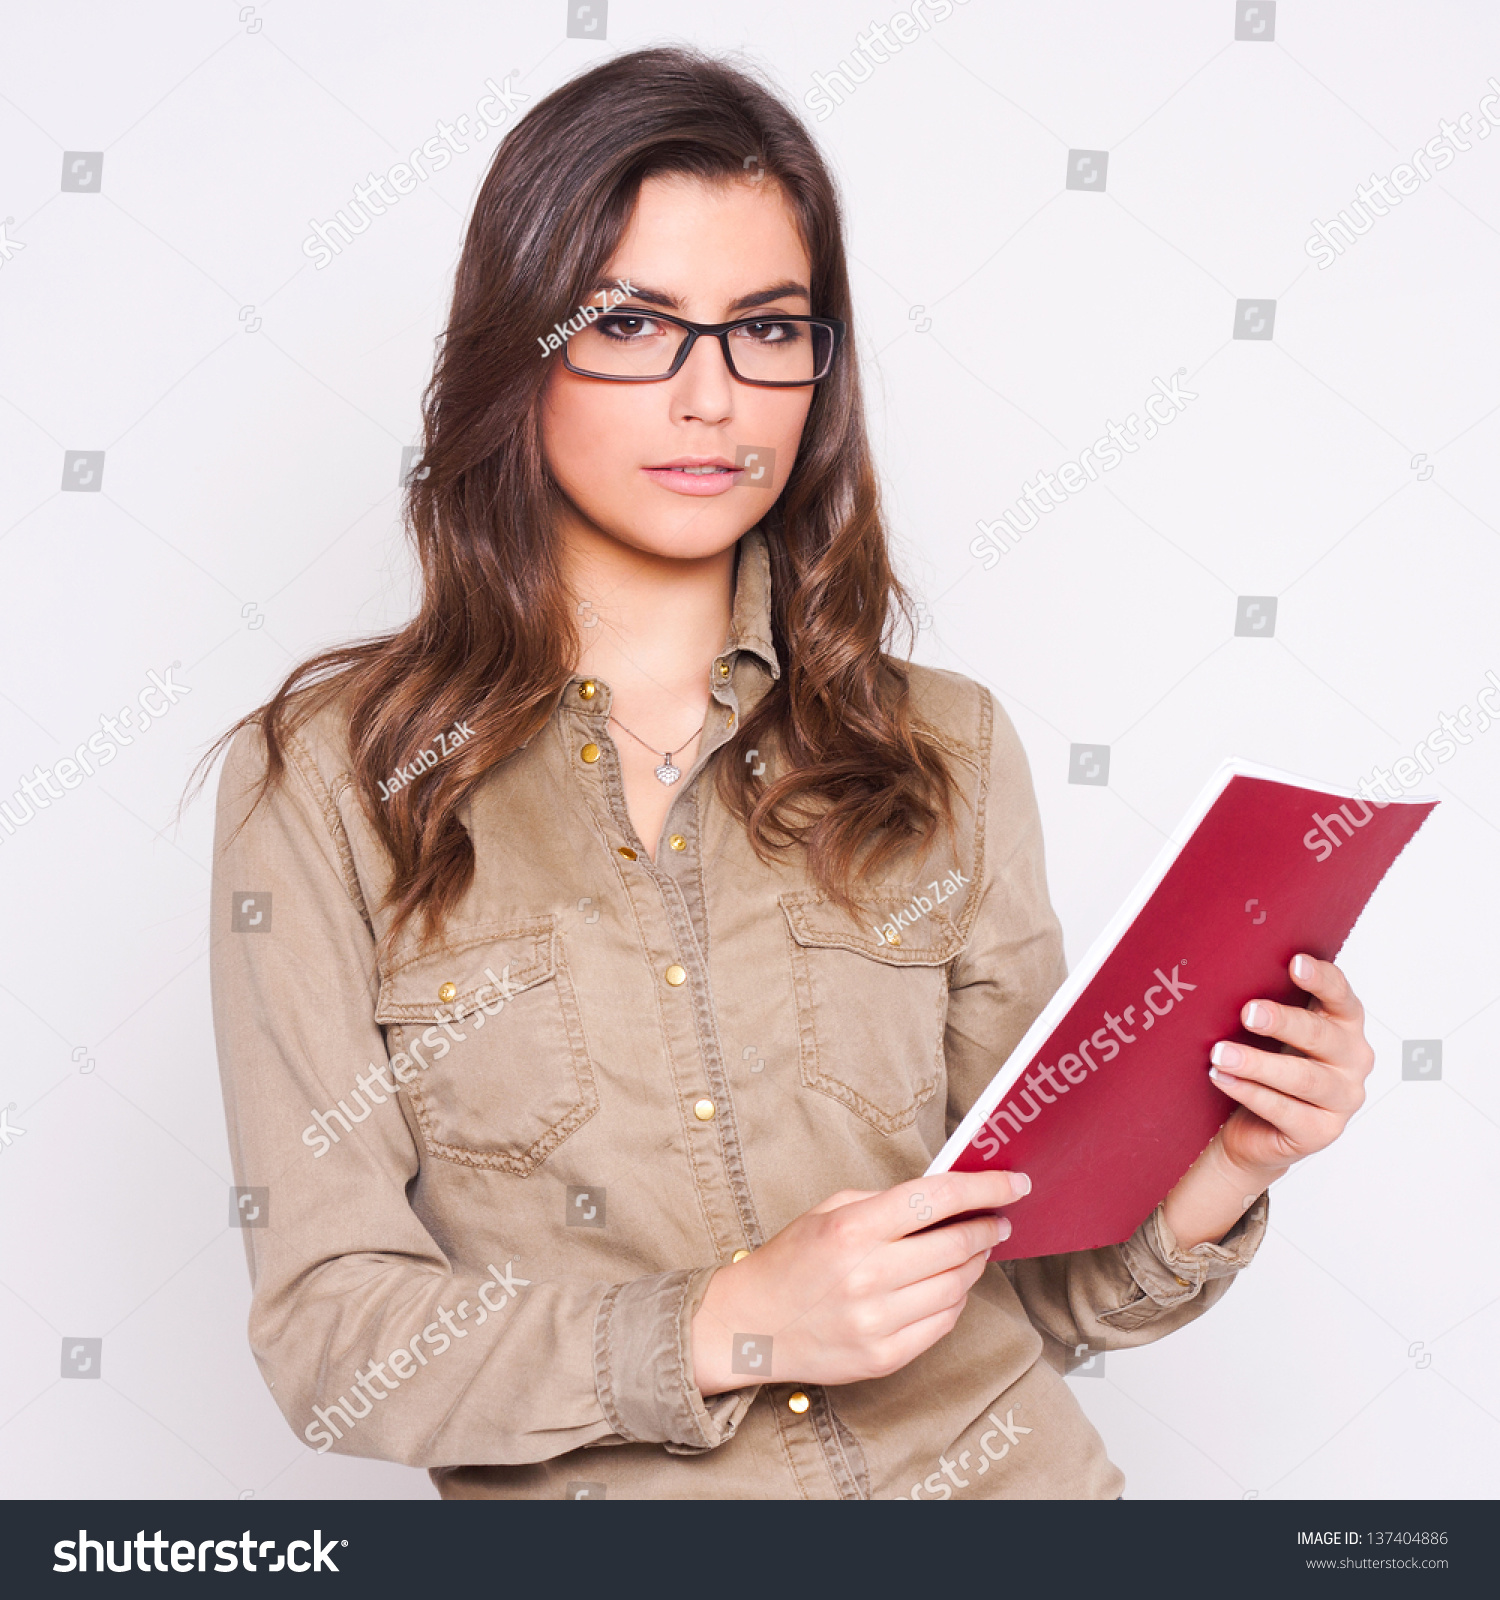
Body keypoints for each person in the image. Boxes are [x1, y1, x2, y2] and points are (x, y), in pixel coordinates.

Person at [207, 46, 1376, 1500]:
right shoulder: (334, 784)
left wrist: (1229, 1162)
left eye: (768, 328)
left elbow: (1050, 1281)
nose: (714, 398)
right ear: (522, 347)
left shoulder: (945, 748)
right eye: (633, 323)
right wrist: (725, 1325)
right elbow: (332, 1341)